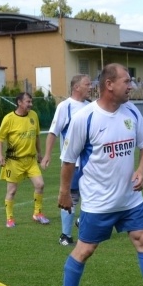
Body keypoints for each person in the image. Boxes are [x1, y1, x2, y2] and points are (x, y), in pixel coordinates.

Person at [55, 63, 143, 286]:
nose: (132, 86)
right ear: (109, 85)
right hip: (98, 202)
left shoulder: (131, 112)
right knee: (85, 250)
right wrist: (64, 192)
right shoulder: (85, 118)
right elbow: (68, 160)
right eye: (127, 81)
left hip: (130, 198)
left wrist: (141, 169)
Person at [41, 74, 92, 245]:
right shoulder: (65, 106)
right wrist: (47, 155)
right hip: (73, 163)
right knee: (71, 197)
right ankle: (65, 235)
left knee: (94, 195)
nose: (90, 87)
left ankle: (82, 222)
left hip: (91, 163)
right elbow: (53, 132)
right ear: (76, 87)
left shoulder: (91, 107)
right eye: (87, 84)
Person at [0, 92, 49, 227]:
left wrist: (39, 153)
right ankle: (9, 218)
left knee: (40, 185)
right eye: (28, 102)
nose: (31, 104)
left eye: (31, 102)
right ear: (19, 102)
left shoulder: (33, 116)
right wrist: (0, 156)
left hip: (30, 160)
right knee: (12, 191)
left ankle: (37, 213)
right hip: (14, 162)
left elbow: (36, 136)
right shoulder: (9, 118)